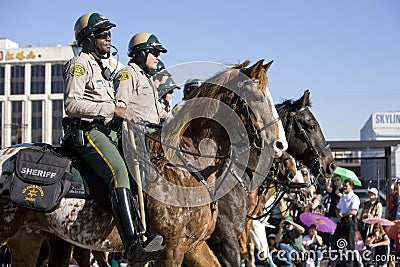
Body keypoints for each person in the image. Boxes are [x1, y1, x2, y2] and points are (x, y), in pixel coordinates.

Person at [62, 13, 163, 266]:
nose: (108, 38)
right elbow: (71, 104)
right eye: (101, 34)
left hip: (107, 129)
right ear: (86, 39)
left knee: (138, 167)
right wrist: (113, 111)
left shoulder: (101, 68)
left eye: (109, 34)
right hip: (87, 131)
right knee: (118, 170)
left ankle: (143, 232)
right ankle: (133, 245)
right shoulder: (79, 64)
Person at [114, 32, 169, 125]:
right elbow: (119, 108)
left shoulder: (147, 79)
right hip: (136, 134)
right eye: (155, 53)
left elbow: (159, 112)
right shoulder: (128, 74)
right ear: (142, 54)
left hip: (152, 132)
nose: (158, 58)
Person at [329, 179, 360, 267]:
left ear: (351, 186)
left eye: (346, 186)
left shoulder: (355, 198)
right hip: (341, 221)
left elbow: (353, 211)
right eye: (344, 185)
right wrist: (338, 214)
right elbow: (338, 207)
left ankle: (350, 263)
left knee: (350, 244)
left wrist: (343, 214)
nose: (344, 187)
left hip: (349, 221)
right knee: (335, 242)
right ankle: (332, 263)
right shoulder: (343, 196)